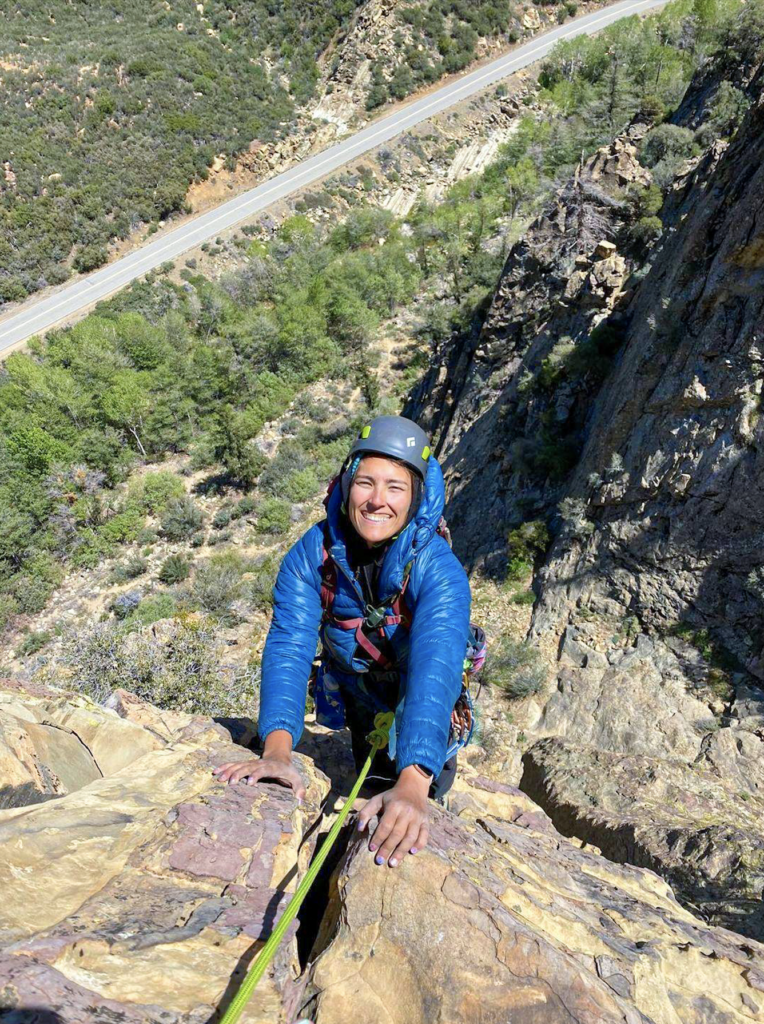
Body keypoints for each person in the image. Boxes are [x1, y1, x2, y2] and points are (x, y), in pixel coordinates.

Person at [213, 416, 472, 869]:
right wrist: (277, 752)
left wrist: (413, 786)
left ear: (415, 499)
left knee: (419, 792)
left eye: (395, 488)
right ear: (347, 484)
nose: (377, 501)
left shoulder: (438, 569)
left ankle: (424, 791)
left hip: (418, 689)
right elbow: (290, 647)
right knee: (369, 779)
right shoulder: (311, 555)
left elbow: (436, 668)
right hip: (360, 693)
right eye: (366, 483)